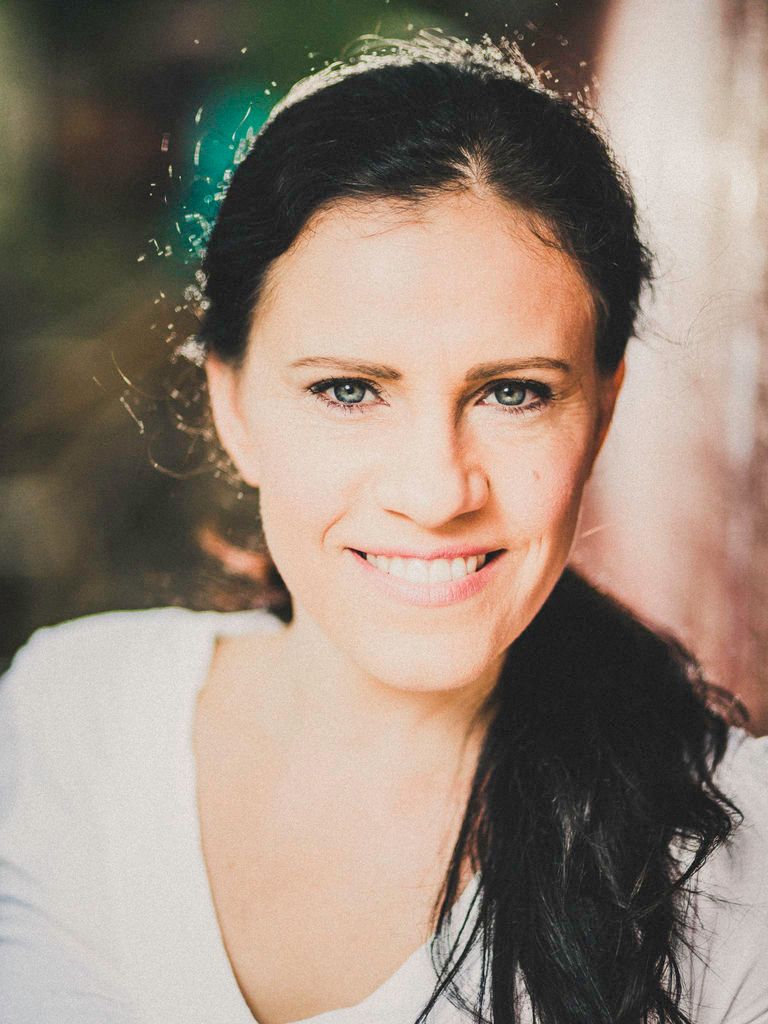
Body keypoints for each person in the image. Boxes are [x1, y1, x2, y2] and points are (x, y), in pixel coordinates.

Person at [1, 30, 767, 1024]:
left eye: (513, 392)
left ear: (602, 412)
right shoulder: (63, 720)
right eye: (350, 389)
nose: (437, 491)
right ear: (232, 404)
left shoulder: (737, 866)